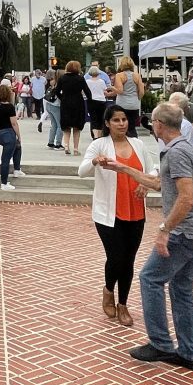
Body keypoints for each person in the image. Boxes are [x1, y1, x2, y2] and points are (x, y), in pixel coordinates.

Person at [105, 103, 193, 372]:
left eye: (152, 122)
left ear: (159, 125)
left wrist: (165, 230)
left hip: (186, 233)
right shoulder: (181, 149)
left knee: (150, 278)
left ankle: (161, 344)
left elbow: (186, 197)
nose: (151, 126)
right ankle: (189, 353)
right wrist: (124, 169)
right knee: (181, 289)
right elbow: (158, 184)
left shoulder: (176, 153)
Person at [79, 105, 152, 327]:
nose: (121, 123)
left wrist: (144, 184)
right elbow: (81, 171)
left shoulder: (138, 145)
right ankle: (108, 289)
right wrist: (94, 161)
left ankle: (123, 304)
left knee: (129, 259)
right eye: (116, 120)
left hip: (136, 210)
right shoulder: (99, 145)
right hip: (108, 213)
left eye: (124, 120)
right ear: (108, 123)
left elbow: (153, 170)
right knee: (116, 257)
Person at [52, 61, 92, 156]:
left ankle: (66, 146)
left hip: (66, 103)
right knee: (77, 127)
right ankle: (76, 149)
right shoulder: (80, 78)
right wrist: (90, 100)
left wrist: (63, 98)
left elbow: (57, 91)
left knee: (66, 127)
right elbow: (88, 92)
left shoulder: (62, 78)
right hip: (78, 103)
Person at [0, 83, 22, 190]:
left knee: (17, 147)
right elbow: (14, 123)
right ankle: (4, 183)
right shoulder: (9, 107)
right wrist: (19, 135)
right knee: (6, 158)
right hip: (8, 133)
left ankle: (17, 169)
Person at [109, 56, 145, 137]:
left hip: (122, 104)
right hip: (134, 105)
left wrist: (111, 87)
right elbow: (142, 91)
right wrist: (137, 98)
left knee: (122, 127)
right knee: (132, 126)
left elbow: (120, 90)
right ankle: (134, 143)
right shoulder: (137, 76)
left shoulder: (119, 75)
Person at [85, 66, 109, 138]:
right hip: (101, 101)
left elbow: (84, 92)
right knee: (101, 118)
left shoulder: (87, 82)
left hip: (91, 101)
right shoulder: (101, 81)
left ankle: (95, 136)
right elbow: (105, 91)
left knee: (93, 119)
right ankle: (100, 134)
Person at [45, 70, 65, 150]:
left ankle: (50, 142)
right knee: (60, 125)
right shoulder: (61, 84)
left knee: (53, 124)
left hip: (49, 104)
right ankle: (58, 144)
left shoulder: (52, 82)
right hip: (56, 105)